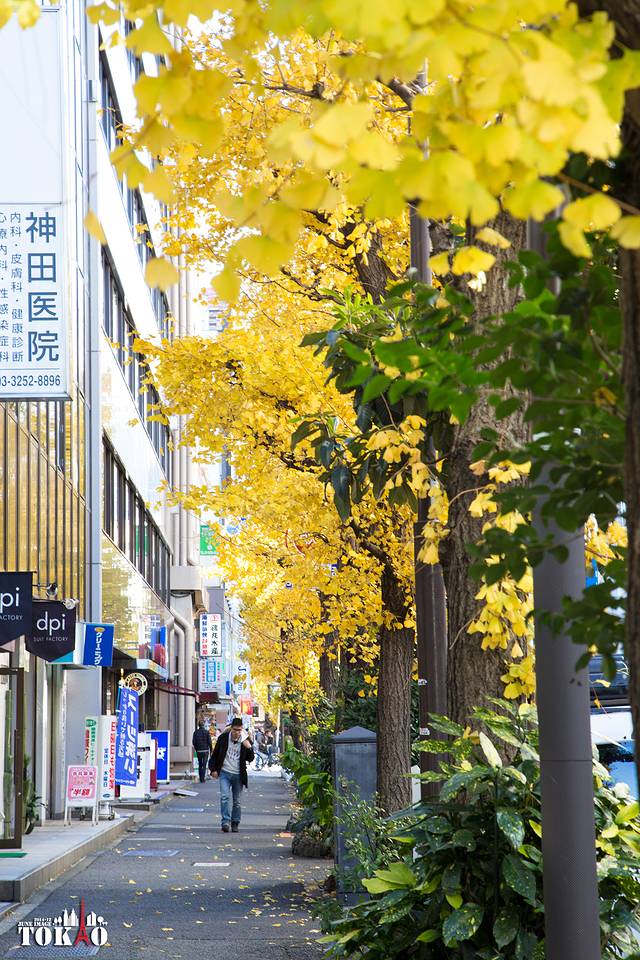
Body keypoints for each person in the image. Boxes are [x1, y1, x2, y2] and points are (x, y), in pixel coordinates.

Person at [209, 717, 254, 832]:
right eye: (235, 730)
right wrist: (213, 769)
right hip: (225, 773)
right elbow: (214, 755)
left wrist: (249, 747)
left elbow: (251, 758)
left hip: (238, 775)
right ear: (231, 728)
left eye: (239, 730)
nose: (237, 732)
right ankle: (225, 822)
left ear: (242, 729)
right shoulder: (223, 738)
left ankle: (235, 822)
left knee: (237, 801)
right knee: (224, 797)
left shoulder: (244, 741)